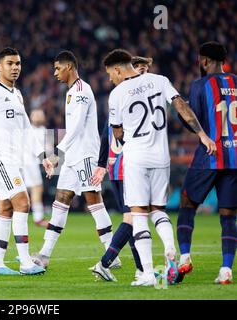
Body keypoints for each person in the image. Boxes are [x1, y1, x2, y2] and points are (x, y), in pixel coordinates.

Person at [99, 49, 216, 286]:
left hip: (135, 158)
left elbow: (117, 132)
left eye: (111, 73)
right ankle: (171, 248)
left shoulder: (117, 93)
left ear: (119, 69)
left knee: (139, 213)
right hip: (161, 157)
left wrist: (125, 139)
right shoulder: (160, 80)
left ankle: (149, 274)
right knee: (158, 210)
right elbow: (181, 106)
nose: (111, 78)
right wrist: (202, 135)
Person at [31, 50, 118, 270]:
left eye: (58, 68)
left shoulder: (81, 90)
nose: (55, 73)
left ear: (69, 66)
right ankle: (45, 254)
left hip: (86, 155)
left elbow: (77, 127)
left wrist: (55, 154)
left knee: (94, 201)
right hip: (73, 156)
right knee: (60, 200)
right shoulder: (71, 92)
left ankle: (112, 254)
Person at [0, 47, 54, 275]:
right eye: (10, 63)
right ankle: (26, 261)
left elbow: (27, 129)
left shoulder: (17, 94)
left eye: (18, 63)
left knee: (6, 207)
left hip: (13, 158)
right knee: (22, 202)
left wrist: (43, 157)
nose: (15, 67)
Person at [176, 41, 237, 285]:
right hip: (234, 159)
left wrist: (181, 114)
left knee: (187, 203)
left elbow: (195, 122)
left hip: (209, 156)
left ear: (204, 61)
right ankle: (226, 270)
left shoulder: (200, 85)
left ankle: (185, 257)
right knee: (228, 215)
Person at [89, 56, 154, 282]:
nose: (144, 74)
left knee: (134, 218)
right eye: (140, 70)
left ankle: (141, 269)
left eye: (146, 70)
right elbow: (110, 134)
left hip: (118, 168)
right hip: (128, 167)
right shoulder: (132, 98)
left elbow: (107, 133)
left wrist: (102, 164)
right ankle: (105, 263)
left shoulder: (121, 97)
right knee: (133, 218)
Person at [22, 108, 49, 227]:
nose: (38, 117)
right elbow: (41, 150)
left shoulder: (42, 130)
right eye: (36, 115)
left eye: (40, 114)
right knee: (36, 188)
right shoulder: (31, 130)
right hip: (29, 162)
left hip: (27, 162)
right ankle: (38, 218)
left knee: (26, 189)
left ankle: (15, 213)